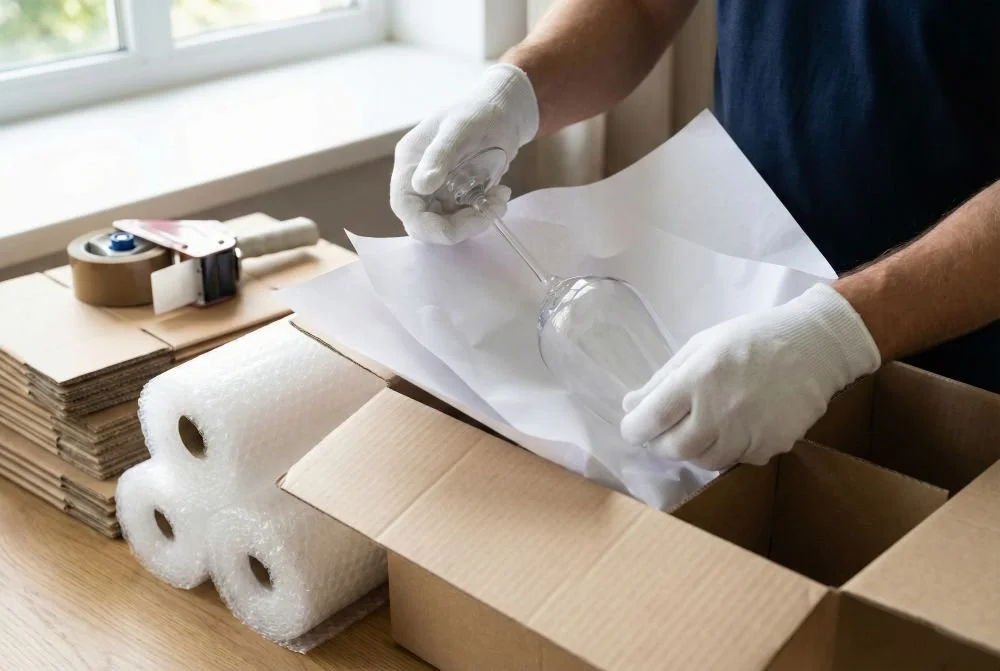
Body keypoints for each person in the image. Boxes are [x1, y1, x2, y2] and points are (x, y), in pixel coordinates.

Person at [389, 0, 1000, 471]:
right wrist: (515, 93)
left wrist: (839, 333)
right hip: (746, 315)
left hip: (961, 368)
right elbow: (638, 7)